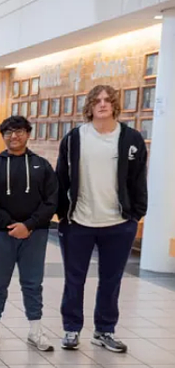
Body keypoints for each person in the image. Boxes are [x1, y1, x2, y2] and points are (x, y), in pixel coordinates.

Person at [56, 85, 148, 353]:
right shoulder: (74, 138)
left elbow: (139, 179)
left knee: (111, 280)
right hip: (79, 223)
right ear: (90, 106)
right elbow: (61, 179)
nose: (103, 104)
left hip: (118, 224)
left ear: (115, 105)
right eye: (97, 100)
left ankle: (104, 330)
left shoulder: (131, 138)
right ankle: (71, 329)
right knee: (74, 279)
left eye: (108, 100)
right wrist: (64, 215)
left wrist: (136, 214)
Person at [0, 116, 57, 351]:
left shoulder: (42, 165)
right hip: (1, 234)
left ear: (28, 134)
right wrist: (12, 224)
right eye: (9, 132)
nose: (14, 136)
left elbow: (52, 201)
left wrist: (29, 225)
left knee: (33, 282)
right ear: (3, 136)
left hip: (35, 234)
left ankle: (35, 329)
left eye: (19, 131)